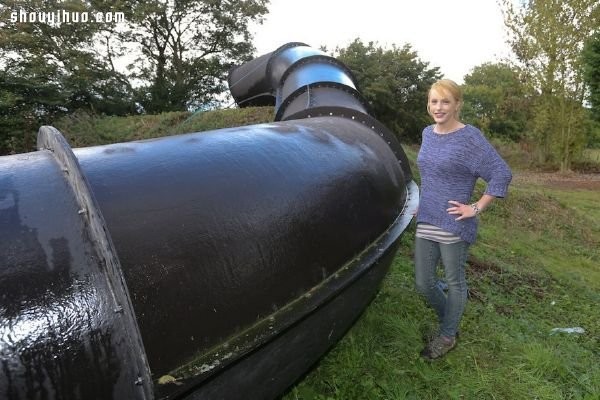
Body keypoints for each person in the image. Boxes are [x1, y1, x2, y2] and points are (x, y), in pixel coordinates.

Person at [414, 79, 512, 360]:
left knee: (455, 282)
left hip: (455, 224)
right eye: (434, 101)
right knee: (424, 282)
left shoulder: (470, 138)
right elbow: (430, 173)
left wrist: (476, 208)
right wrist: (423, 201)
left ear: (457, 104)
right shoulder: (427, 134)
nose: (439, 107)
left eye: (445, 101)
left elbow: (501, 173)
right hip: (427, 218)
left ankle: (447, 336)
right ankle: (451, 320)